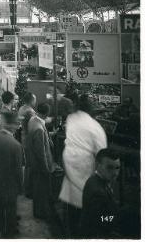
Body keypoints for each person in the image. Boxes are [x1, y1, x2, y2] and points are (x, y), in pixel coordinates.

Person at [59, 94, 107, 237]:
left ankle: (72, 231)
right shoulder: (95, 126)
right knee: (87, 203)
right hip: (84, 165)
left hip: (69, 160)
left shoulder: (71, 118)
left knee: (73, 202)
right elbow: (102, 152)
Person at [79, 148, 121, 238]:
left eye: (117, 168)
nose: (115, 173)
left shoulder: (96, 179)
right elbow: (100, 220)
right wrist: (117, 218)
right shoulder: (97, 192)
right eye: (109, 167)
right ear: (98, 165)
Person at [25, 103, 55, 220]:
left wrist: (48, 136)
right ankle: (40, 213)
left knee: (38, 189)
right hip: (40, 165)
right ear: (47, 113)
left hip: (33, 161)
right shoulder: (39, 129)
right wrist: (45, 168)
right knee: (41, 190)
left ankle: (39, 211)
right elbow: (40, 152)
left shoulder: (33, 119)